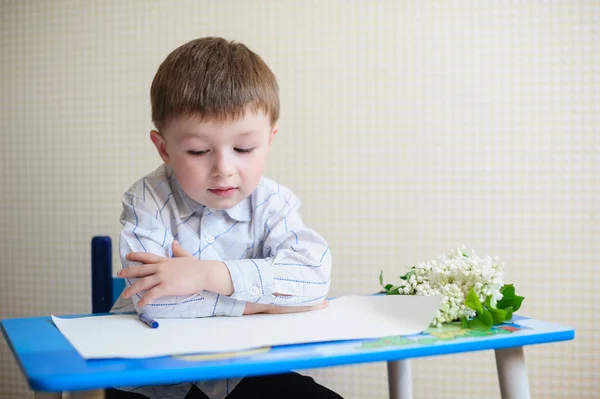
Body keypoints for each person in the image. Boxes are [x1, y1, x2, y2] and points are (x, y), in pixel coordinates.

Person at [107, 37, 341, 399]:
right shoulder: (148, 199)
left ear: (269, 140)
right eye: (199, 151)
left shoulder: (273, 202)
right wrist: (267, 304)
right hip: (154, 377)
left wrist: (207, 275)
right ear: (164, 148)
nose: (224, 169)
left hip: (245, 369)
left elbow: (313, 278)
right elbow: (155, 303)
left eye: (244, 148)